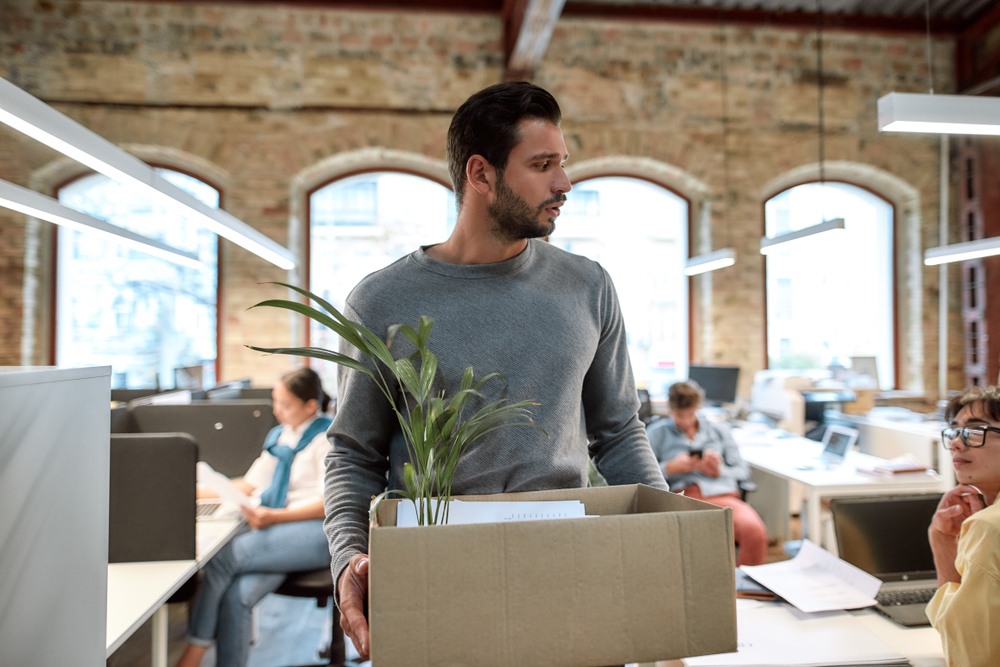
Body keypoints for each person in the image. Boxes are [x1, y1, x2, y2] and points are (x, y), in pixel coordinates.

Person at [324, 81, 669, 661]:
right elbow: (353, 452)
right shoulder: (383, 302)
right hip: (437, 579)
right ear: (480, 174)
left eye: (563, 164)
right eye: (542, 165)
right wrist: (346, 561)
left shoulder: (588, 287)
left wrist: (666, 527)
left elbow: (619, 430)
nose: (564, 184)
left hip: (570, 573)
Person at [175, 368, 333, 667]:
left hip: (315, 531)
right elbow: (248, 485)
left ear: (311, 405)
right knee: (237, 596)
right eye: (275, 402)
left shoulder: (326, 438)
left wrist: (275, 517)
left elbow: (330, 504)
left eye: (285, 404)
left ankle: (192, 655)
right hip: (280, 532)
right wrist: (189, 489)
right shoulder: (282, 436)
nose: (276, 411)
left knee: (223, 559)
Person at [646, 381, 768, 566]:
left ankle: (744, 591)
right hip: (681, 498)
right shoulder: (656, 434)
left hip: (721, 497)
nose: (686, 422)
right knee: (685, 546)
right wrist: (671, 468)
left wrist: (718, 471)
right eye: (680, 415)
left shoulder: (719, 431)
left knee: (754, 531)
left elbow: (742, 471)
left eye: (691, 414)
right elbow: (643, 475)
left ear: (698, 408)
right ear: (670, 409)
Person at [925, 385, 1000, 667]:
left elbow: (970, 655)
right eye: (954, 431)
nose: (957, 443)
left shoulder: (988, 527)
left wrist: (942, 542)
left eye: (974, 431)